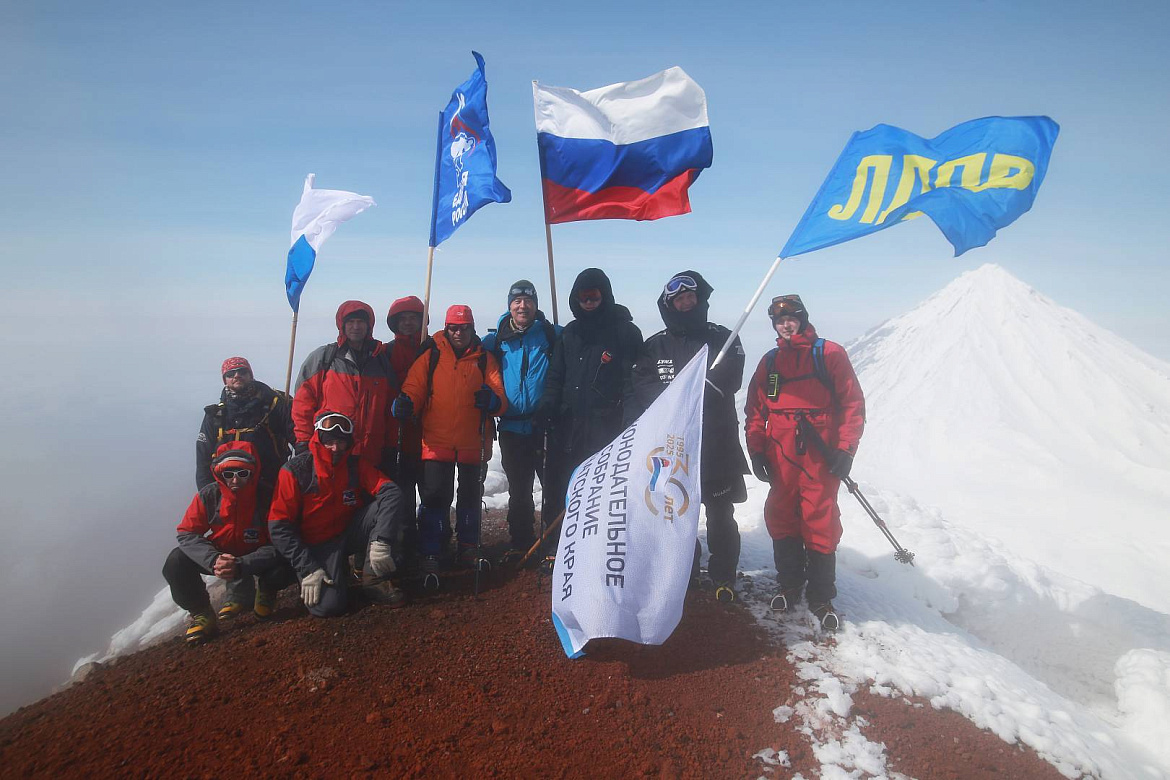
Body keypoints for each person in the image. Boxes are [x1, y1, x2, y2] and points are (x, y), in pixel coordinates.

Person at [744, 295, 865, 631]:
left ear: (803, 319)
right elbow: (755, 410)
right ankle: (789, 584)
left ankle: (821, 596)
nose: (786, 325)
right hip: (780, 454)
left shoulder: (829, 354)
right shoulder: (770, 362)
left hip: (819, 455)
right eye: (779, 321)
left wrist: (846, 450)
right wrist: (756, 451)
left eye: (792, 319)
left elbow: (853, 404)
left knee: (819, 519)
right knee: (781, 516)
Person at [625, 271, 749, 602]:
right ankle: (685, 571)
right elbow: (641, 383)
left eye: (690, 297)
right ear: (669, 305)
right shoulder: (655, 345)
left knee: (721, 513)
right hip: (674, 447)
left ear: (700, 299)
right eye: (679, 299)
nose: (686, 302)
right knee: (678, 513)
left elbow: (733, 376)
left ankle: (723, 575)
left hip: (716, 445)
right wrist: (677, 395)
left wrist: (706, 386)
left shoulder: (723, 338)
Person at [392, 305, 507, 579]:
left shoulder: (484, 358)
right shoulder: (432, 354)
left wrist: (492, 401)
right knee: (435, 497)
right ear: (446, 328)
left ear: (472, 328)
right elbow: (414, 387)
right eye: (453, 328)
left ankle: (468, 546)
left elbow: (500, 397)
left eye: (464, 328)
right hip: (436, 441)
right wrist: (406, 402)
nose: (458, 333)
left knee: (470, 497)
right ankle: (432, 550)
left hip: (473, 441)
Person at [268, 411, 407, 615]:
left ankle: (374, 580)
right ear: (318, 440)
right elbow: (279, 527)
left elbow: (390, 491)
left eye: (341, 442)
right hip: (315, 547)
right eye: (329, 442)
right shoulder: (295, 471)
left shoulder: (354, 464)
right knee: (328, 607)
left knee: (386, 507)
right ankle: (311, 573)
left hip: (347, 532)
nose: (335, 448)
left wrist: (381, 541)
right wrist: (307, 567)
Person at [163, 441, 295, 645]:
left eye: (242, 473)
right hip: (221, 555)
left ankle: (267, 590)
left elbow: (280, 541)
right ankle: (202, 613)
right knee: (176, 562)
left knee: (285, 564)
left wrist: (243, 564)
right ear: (219, 473)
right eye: (228, 473)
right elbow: (187, 532)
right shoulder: (209, 495)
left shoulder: (268, 496)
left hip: (257, 555)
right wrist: (213, 560)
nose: (235, 479)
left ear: (252, 473)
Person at [538, 268, 642, 524]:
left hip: (606, 430)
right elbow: (556, 377)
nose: (588, 302)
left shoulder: (625, 332)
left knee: (601, 495)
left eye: (594, 296)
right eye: (583, 297)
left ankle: (600, 545)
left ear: (604, 295)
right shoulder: (570, 333)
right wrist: (547, 406)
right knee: (561, 490)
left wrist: (631, 422)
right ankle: (557, 543)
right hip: (568, 428)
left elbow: (632, 382)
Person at [481, 280, 561, 555]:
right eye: (517, 301)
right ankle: (521, 542)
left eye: (528, 300)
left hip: (545, 425)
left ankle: (554, 543)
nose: (522, 306)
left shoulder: (551, 335)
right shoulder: (495, 341)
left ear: (536, 305)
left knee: (552, 487)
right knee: (519, 489)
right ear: (510, 305)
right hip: (512, 427)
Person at [292, 301, 398, 473]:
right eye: (351, 322)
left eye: (361, 322)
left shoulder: (381, 361)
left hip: (371, 455)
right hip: (331, 452)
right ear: (342, 325)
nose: (356, 327)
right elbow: (302, 403)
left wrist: (391, 446)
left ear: (369, 325)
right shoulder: (324, 358)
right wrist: (303, 441)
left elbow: (390, 411)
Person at [196, 357, 293, 491]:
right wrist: (207, 494)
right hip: (227, 488)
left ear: (250, 375)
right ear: (225, 380)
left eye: (242, 372)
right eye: (231, 374)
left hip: (271, 487)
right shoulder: (215, 415)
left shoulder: (275, 405)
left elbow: (299, 438)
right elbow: (203, 459)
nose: (237, 376)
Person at [385, 296, 427, 556]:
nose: (409, 323)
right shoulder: (387, 352)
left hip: (429, 434)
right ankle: (405, 544)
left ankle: (432, 542)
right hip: (399, 434)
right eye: (403, 319)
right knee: (403, 494)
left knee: (432, 493)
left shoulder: (432, 349)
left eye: (414, 318)